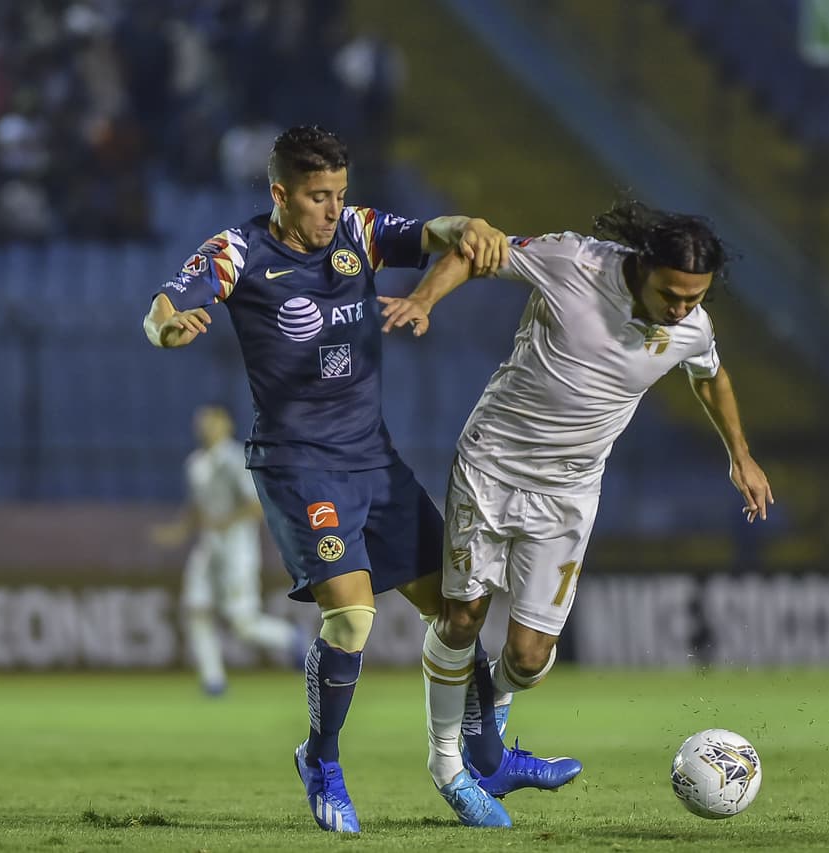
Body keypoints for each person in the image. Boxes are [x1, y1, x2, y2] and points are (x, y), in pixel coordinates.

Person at [142, 126, 577, 834]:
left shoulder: (357, 230)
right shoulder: (238, 251)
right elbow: (160, 308)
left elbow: (436, 233)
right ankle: (322, 759)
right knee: (352, 615)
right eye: (317, 197)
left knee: (458, 610)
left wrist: (470, 224)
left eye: (339, 193)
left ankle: (486, 756)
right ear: (280, 193)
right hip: (297, 461)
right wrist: (170, 329)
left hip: (373, 458)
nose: (331, 209)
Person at [379, 200, 775, 826]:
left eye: (693, 298)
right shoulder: (574, 260)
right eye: (672, 293)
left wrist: (741, 456)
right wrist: (425, 299)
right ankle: (450, 764)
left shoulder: (693, 325)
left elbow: (709, 375)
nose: (680, 308)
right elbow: (476, 252)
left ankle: (493, 723)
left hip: (569, 494)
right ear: (644, 265)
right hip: (492, 466)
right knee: (461, 617)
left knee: (529, 659)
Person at [150, 403, 302, 695]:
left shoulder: (235, 459)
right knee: (195, 608)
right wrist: (178, 531)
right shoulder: (195, 463)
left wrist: (224, 522)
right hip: (208, 545)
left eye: (212, 419)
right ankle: (213, 680)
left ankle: (290, 638)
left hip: (237, 547)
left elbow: (257, 505)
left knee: (242, 623)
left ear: (227, 424)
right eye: (202, 419)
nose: (205, 424)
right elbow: (197, 508)